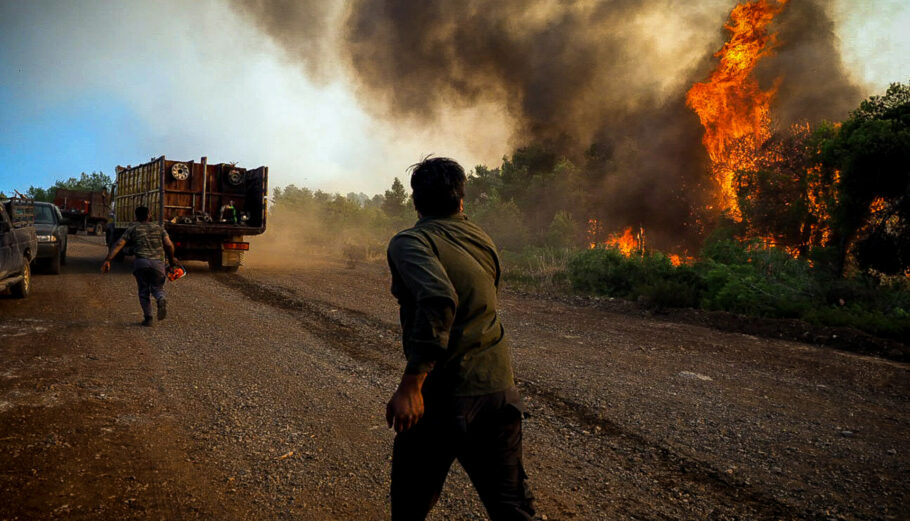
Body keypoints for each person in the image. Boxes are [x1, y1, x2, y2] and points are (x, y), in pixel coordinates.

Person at [385, 157, 535, 520]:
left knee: (410, 503)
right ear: (461, 200)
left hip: (446, 395)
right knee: (512, 506)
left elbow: (439, 299)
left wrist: (412, 385)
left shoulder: (410, 242)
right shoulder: (481, 237)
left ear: (415, 201)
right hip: (500, 390)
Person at [101, 206, 177, 327]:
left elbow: (120, 243)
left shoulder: (133, 228)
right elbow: (169, 245)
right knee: (157, 288)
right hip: (158, 264)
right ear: (149, 215)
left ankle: (148, 318)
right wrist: (172, 261)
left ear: (136, 217)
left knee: (143, 291)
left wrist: (108, 260)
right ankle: (160, 298)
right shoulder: (159, 228)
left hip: (141, 263)